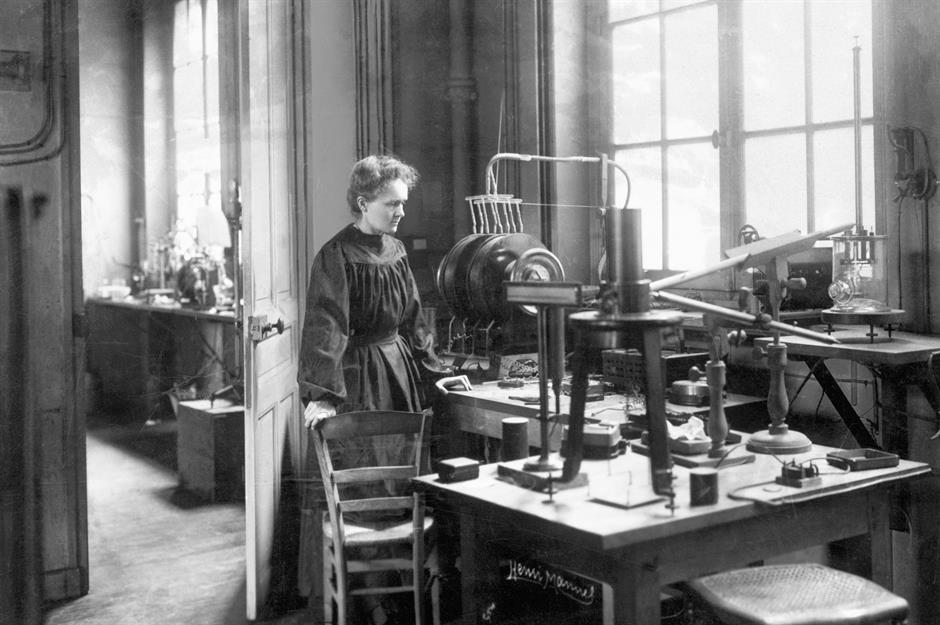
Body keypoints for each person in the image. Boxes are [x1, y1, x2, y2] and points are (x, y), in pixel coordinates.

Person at [297, 154, 438, 624]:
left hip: (398, 374)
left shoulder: (396, 251)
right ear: (363, 202)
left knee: (402, 482)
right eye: (391, 203)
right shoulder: (335, 255)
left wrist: (432, 368)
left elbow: (413, 318)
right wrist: (322, 393)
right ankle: (371, 601)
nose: (401, 212)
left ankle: (401, 595)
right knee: (365, 485)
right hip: (358, 380)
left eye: (403, 203)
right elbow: (326, 324)